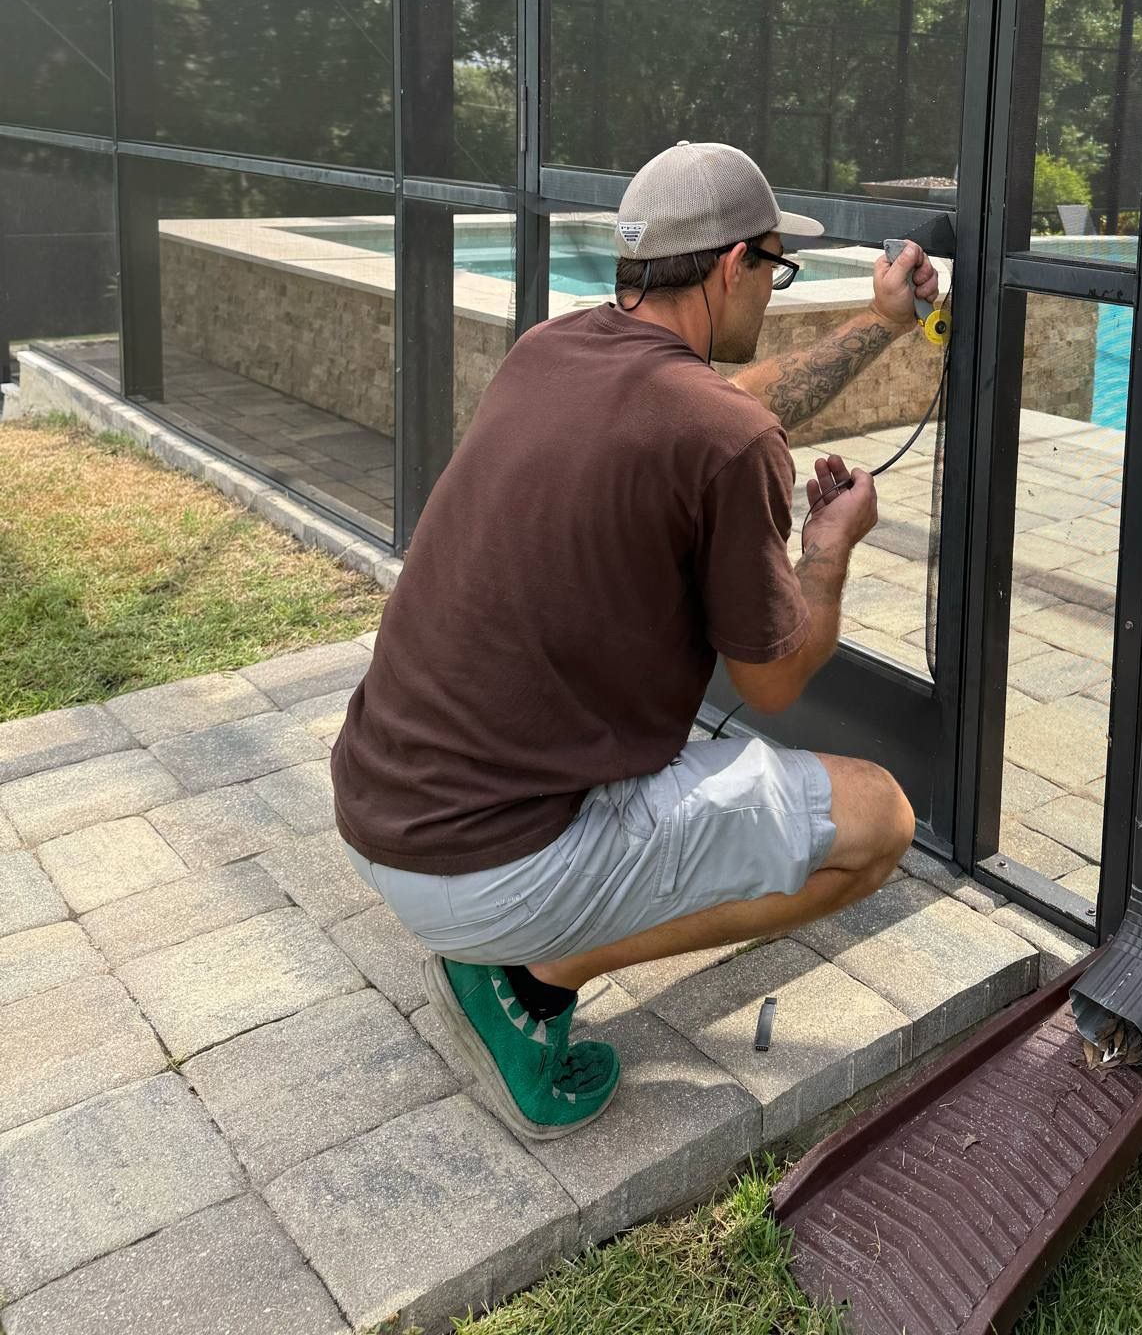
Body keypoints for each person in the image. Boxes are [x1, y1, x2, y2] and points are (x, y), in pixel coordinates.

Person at [331, 140, 940, 1139]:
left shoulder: (551, 352)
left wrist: (880, 324)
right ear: (735, 264)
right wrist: (827, 551)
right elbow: (777, 677)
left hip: (381, 811)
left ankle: (512, 936)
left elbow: (734, 403)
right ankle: (531, 976)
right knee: (878, 825)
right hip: (486, 866)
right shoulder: (724, 442)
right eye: (776, 267)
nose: (773, 290)